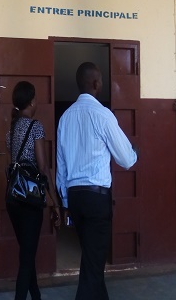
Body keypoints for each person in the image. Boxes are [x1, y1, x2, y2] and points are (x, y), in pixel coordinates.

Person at [56, 62, 138, 300]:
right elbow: (126, 159)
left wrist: (64, 202)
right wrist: (135, 153)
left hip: (75, 198)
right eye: (101, 80)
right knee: (92, 266)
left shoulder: (65, 118)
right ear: (95, 83)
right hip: (96, 199)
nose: (102, 84)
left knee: (93, 259)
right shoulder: (103, 115)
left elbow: (61, 165)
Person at [6, 81, 62, 300]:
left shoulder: (11, 130)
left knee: (26, 254)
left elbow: (13, 164)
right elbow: (42, 167)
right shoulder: (35, 126)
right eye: (35, 99)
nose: (36, 103)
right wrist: (54, 201)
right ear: (30, 102)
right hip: (30, 200)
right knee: (27, 259)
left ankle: (36, 296)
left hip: (12, 199)